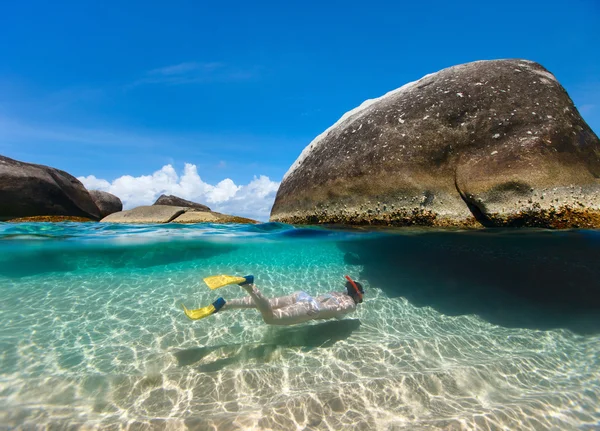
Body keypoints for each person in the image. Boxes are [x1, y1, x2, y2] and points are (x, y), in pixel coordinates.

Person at [183, 275, 364, 326]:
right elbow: (339, 310)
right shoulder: (350, 304)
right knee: (271, 318)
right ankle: (248, 286)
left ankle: (224, 305)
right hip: (312, 307)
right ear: (356, 294)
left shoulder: (335, 292)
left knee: (266, 303)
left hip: (302, 296)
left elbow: (332, 303)